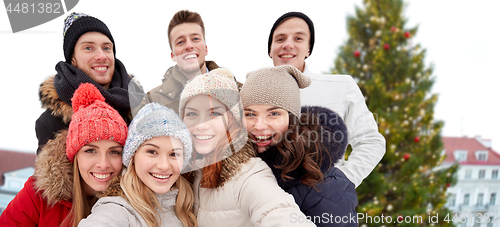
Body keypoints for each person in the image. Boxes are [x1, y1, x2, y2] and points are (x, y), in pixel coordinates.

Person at [179, 68, 314, 226]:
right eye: (192, 114)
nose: (201, 125)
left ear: (232, 120)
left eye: (214, 114)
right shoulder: (184, 170)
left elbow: (279, 214)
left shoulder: (247, 174)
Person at [267, 11, 386, 187]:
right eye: (280, 39)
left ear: (308, 49)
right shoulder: (250, 94)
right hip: (267, 204)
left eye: (298, 39)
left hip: (324, 205)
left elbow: (370, 141)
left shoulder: (340, 87)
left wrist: (342, 183)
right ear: (270, 50)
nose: (288, 45)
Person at [240, 65, 358, 227]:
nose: (259, 126)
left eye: (274, 114)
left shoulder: (326, 185)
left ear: (292, 118)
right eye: (250, 114)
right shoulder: (234, 166)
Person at [0, 83, 128, 227]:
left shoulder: (134, 203)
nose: (103, 164)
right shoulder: (39, 194)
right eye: (91, 151)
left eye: (114, 152)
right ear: (74, 155)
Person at [79, 103, 196, 227]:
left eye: (174, 154)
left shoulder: (185, 205)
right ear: (133, 157)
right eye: (152, 152)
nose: (164, 166)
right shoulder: (119, 210)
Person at [36, 12, 136, 154]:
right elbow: (52, 175)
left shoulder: (139, 107)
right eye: (88, 48)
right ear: (73, 58)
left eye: (107, 48)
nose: (101, 56)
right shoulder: (51, 122)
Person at [140, 10, 242, 115]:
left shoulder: (240, 92)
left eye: (195, 39)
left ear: (206, 49)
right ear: (173, 56)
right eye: (180, 42)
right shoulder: (151, 102)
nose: (189, 46)